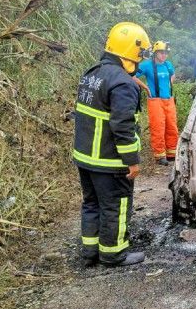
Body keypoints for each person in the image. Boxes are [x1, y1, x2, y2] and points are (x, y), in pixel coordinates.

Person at [72, 22, 151, 267]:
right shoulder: (123, 84)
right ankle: (113, 254)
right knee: (115, 207)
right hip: (109, 161)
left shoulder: (92, 73)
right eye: (140, 54)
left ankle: (90, 253)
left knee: (92, 204)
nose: (141, 59)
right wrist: (132, 161)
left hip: (85, 158)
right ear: (131, 53)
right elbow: (123, 126)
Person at [133, 41, 179, 165]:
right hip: (155, 101)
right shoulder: (147, 65)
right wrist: (145, 87)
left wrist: (170, 82)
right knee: (158, 128)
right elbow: (133, 76)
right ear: (155, 53)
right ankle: (160, 156)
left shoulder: (168, 65)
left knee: (172, 127)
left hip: (169, 100)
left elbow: (173, 74)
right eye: (162, 53)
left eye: (166, 53)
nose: (164, 55)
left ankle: (171, 153)